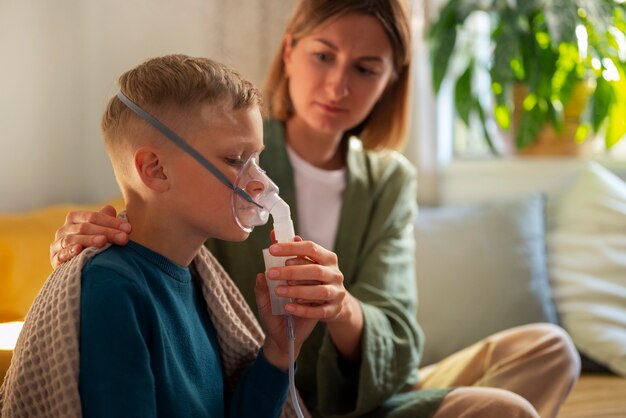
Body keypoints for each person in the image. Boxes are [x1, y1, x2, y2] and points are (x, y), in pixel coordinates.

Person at [48, 1, 580, 417]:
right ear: (289, 52)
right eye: (324, 56)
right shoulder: (216, 150)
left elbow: (396, 344)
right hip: (263, 388)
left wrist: (336, 306)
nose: (338, 85)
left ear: (393, 78)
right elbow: (157, 214)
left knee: (551, 349)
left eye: (367, 68)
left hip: (355, 396)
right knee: (505, 411)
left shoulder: (387, 181)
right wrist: (89, 246)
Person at [1, 54, 318, 418]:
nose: (259, 181)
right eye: (235, 160)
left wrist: (278, 351)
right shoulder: (113, 291)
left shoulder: (195, 277)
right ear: (155, 170)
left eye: (256, 159)